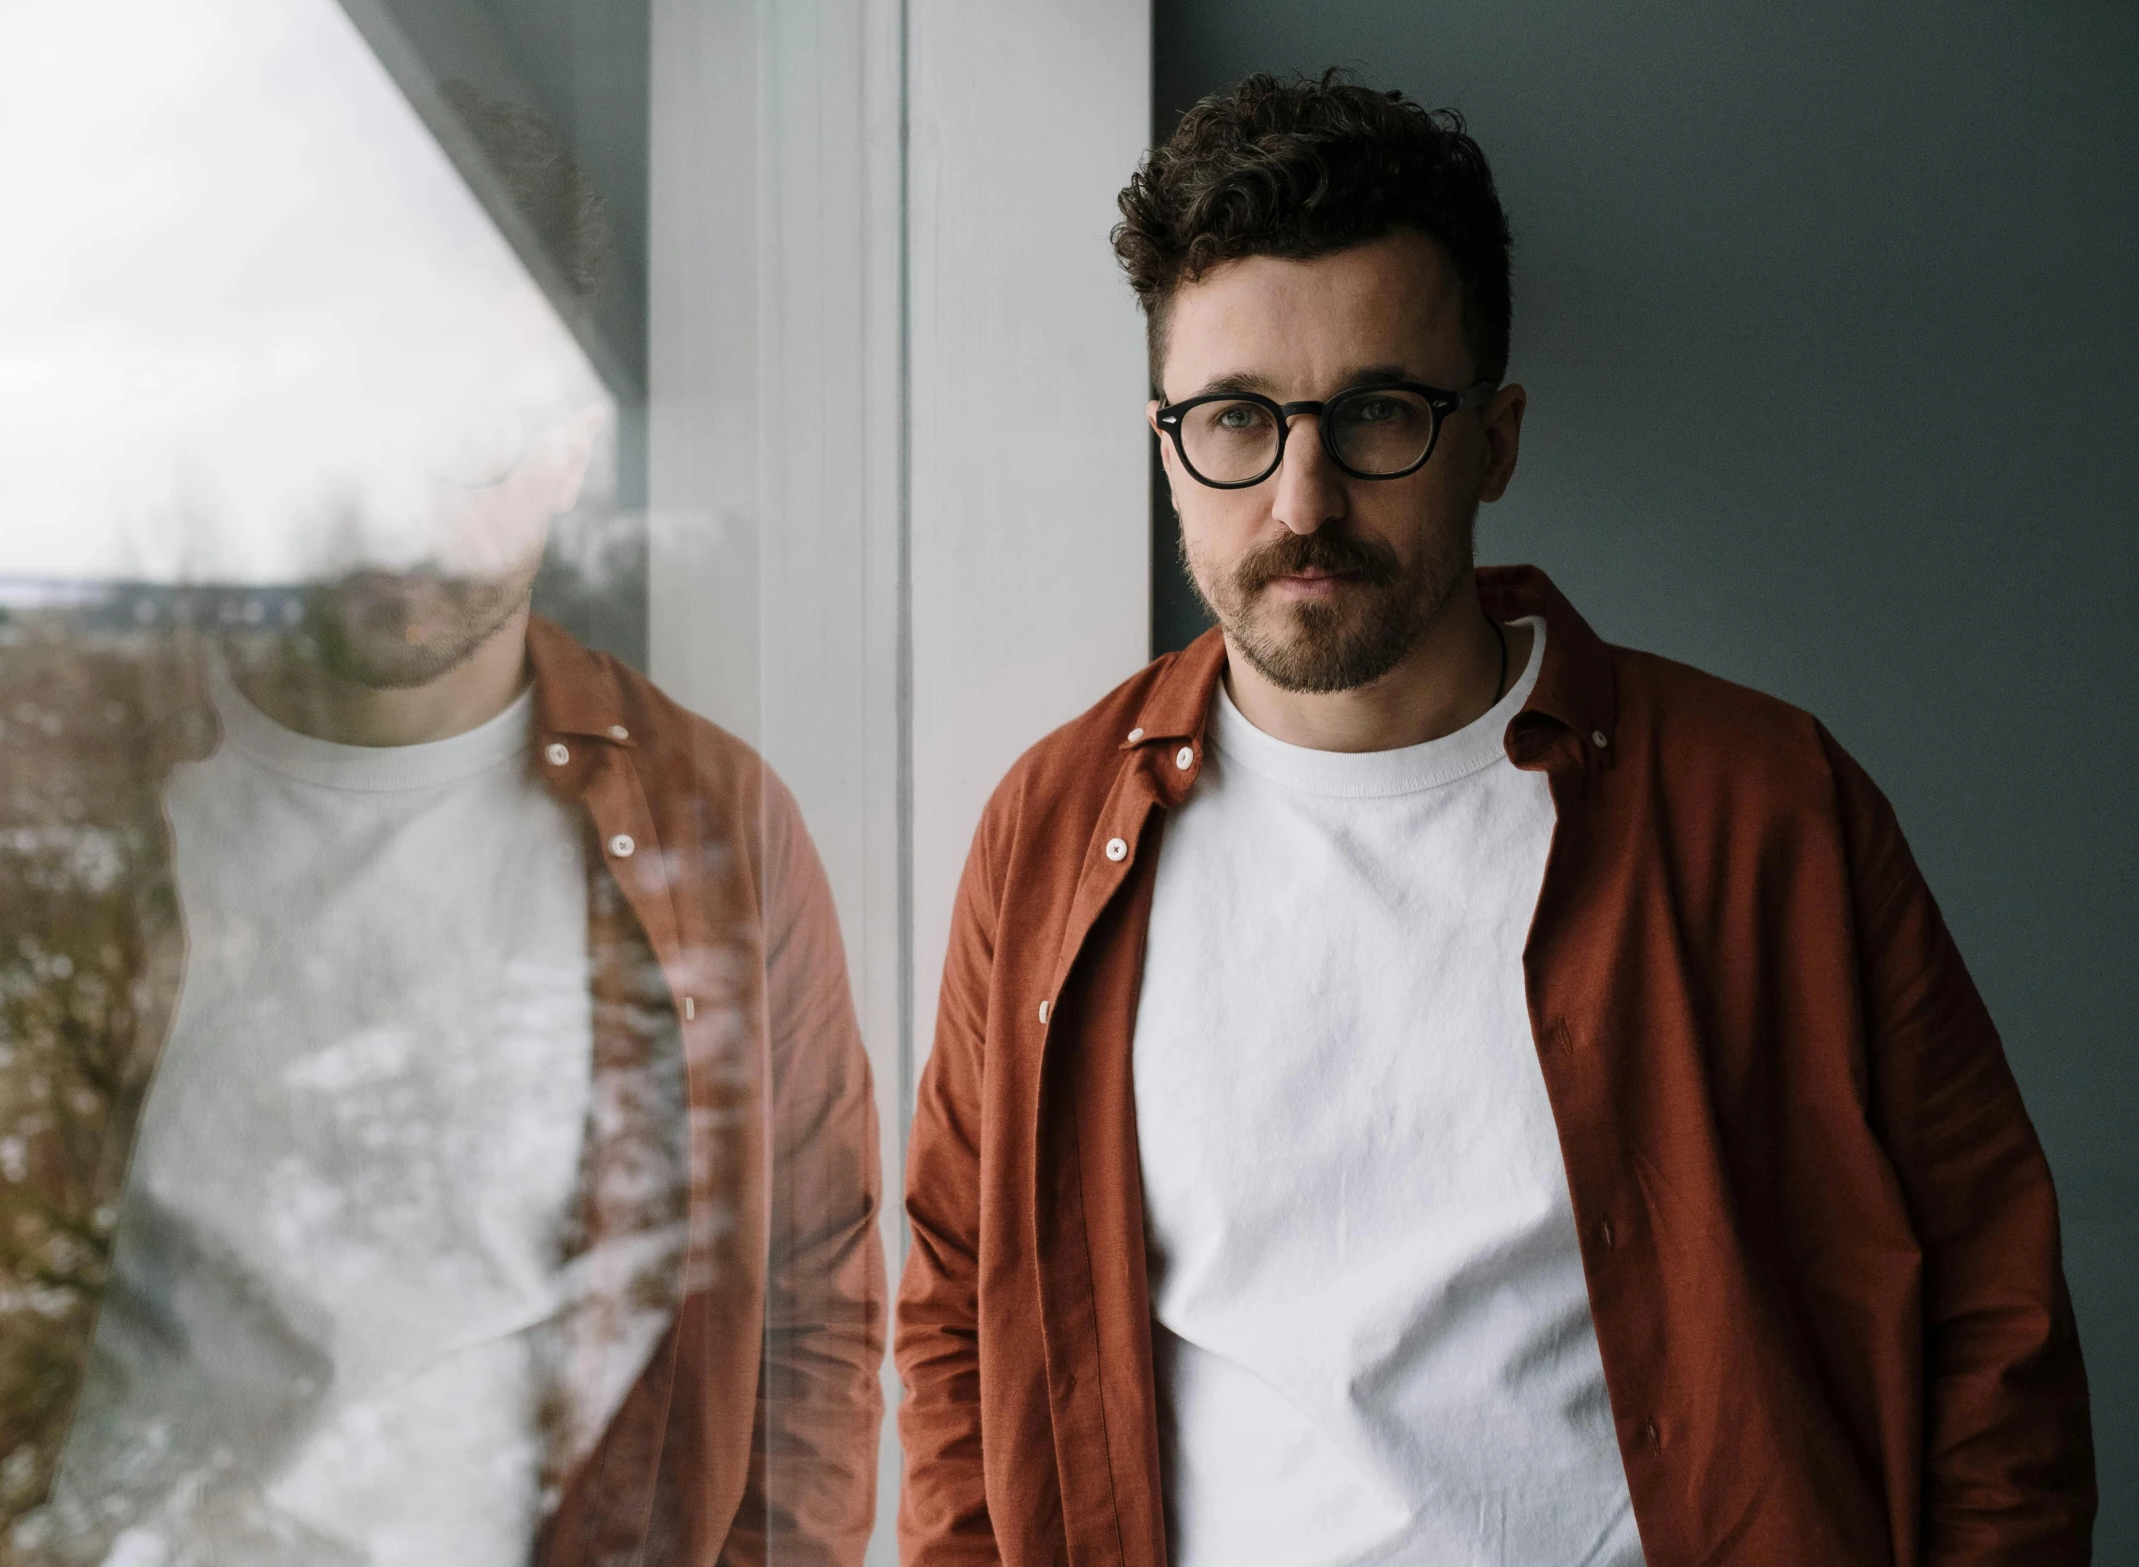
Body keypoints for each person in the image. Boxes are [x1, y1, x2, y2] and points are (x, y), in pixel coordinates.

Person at [895, 72, 2092, 1567]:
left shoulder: (1764, 804)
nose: (1302, 496)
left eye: (1378, 412)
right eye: (1235, 419)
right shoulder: (1051, 827)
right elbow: (960, 1293)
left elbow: (1994, 1315)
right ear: (1166, 445)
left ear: (1494, 439)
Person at [40, 391, 883, 1563]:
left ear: (572, 446)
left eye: (470, 439)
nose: (401, 505)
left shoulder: (710, 822)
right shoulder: (86, 791)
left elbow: (806, 1313)